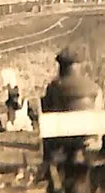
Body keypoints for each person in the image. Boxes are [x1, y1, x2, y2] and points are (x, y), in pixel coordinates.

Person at [40, 47, 104, 193]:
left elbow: (48, 111)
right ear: (79, 66)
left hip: (61, 140)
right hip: (89, 138)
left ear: (61, 66)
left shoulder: (54, 88)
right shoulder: (94, 88)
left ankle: (49, 173)